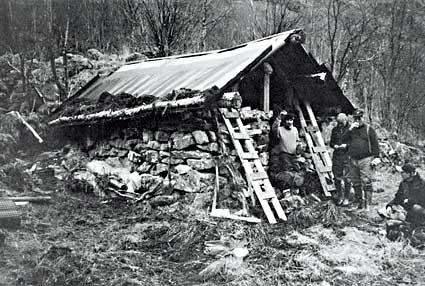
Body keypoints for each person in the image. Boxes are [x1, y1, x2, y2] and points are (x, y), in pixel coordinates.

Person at [344, 109, 380, 209]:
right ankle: (359, 203)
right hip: (353, 159)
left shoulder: (369, 129)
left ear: (363, 118)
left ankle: (368, 205)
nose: (358, 120)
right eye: (355, 118)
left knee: (366, 181)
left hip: (366, 159)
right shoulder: (351, 130)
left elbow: (375, 144)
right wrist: (349, 129)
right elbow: (343, 139)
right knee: (355, 181)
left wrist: (376, 157)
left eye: (359, 118)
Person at [270, 111, 304, 193]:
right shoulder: (280, 130)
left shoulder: (295, 130)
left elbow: (297, 140)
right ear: (284, 121)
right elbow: (274, 129)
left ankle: (296, 190)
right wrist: (279, 118)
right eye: (287, 120)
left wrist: (299, 147)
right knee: (287, 173)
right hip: (284, 155)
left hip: (294, 156)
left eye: (291, 120)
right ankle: (287, 191)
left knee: (297, 172)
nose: (289, 122)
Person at [330, 113, 351, 206]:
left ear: (346, 120)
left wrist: (346, 145)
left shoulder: (351, 130)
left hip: (347, 156)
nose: (340, 125)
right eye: (339, 123)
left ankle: (346, 197)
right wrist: (334, 145)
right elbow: (331, 142)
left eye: (342, 123)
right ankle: (340, 196)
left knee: (347, 178)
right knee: (337, 177)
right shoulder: (335, 130)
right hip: (337, 156)